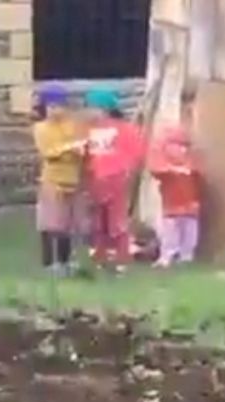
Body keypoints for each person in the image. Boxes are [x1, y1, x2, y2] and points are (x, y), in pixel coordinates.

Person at [82, 85, 144, 273]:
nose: (90, 111)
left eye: (93, 107)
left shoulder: (123, 129)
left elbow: (135, 152)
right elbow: (86, 155)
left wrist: (126, 171)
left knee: (117, 220)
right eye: (88, 107)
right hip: (95, 179)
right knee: (98, 220)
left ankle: (121, 257)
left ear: (105, 108)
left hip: (116, 179)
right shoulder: (87, 130)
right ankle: (100, 255)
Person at [31, 83, 87, 276]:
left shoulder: (72, 126)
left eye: (60, 106)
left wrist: (77, 149)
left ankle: (64, 261)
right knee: (49, 223)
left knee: (67, 224)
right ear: (44, 107)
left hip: (72, 178)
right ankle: (48, 262)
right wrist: (69, 148)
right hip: (52, 180)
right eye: (52, 106)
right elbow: (48, 152)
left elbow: (80, 147)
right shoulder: (41, 128)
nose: (56, 111)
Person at [148, 91, 201, 267]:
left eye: (181, 147)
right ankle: (168, 255)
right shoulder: (165, 163)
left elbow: (200, 173)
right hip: (171, 202)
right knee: (171, 229)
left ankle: (186, 255)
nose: (179, 151)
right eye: (173, 146)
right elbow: (156, 170)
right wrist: (172, 169)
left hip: (190, 202)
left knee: (190, 228)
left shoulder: (192, 159)